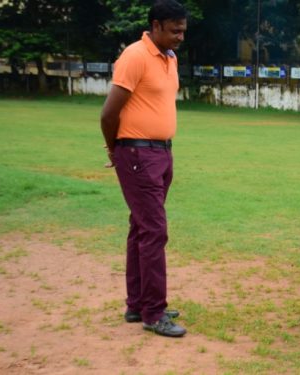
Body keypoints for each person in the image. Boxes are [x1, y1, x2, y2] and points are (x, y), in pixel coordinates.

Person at [100, 0, 188, 338]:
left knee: (141, 228)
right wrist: (115, 148)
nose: (180, 36)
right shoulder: (135, 56)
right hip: (137, 154)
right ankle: (154, 312)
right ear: (156, 25)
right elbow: (109, 114)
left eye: (183, 30)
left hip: (162, 153)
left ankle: (137, 303)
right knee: (154, 231)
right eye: (174, 30)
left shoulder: (170, 57)